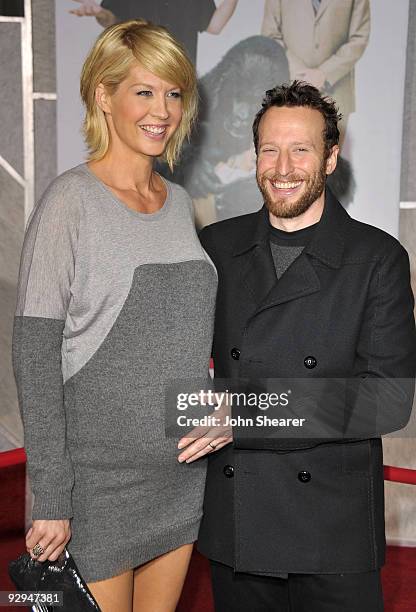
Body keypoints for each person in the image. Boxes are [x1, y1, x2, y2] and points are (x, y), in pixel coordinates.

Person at [177, 81, 416, 611]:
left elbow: (389, 399)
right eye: (269, 149)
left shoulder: (378, 258)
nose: (282, 167)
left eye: (301, 149)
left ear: (330, 157)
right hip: (238, 523)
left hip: (332, 530)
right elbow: (180, 368)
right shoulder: (216, 246)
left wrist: (250, 416)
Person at [12, 20, 217, 612]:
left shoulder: (179, 204)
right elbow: (34, 357)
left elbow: (183, 337)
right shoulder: (68, 202)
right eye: (144, 91)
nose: (163, 110)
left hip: (177, 475)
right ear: (105, 96)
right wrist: (49, 493)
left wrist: (215, 402)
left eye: (174, 93)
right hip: (96, 486)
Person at [261, 0, 370, 145]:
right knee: (290, 158)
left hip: (336, 91)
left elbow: (359, 38)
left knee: (330, 162)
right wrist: (299, 73)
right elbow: (270, 35)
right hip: (288, 89)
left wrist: (324, 73)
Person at [69, 0, 239, 65]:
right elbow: (111, 19)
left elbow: (214, 25)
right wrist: (99, 12)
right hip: (136, 75)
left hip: (177, 83)